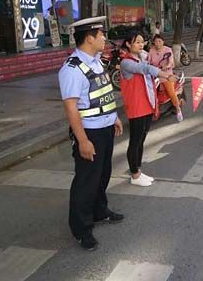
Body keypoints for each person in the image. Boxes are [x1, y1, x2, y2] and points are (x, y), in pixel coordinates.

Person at [58, 16, 124, 251]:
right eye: (101, 34)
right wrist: (83, 140)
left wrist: (114, 117)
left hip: (105, 127)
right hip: (90, 133)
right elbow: (71, 108)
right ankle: (82, 229)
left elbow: (103, 94)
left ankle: (99, 211)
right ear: (89, 38)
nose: (105, 38)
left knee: (103, 174)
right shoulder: (72, 69)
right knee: (86, 181)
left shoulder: (96, 62)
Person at [120, 29, 178, 187]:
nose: (141, 45)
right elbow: (146, 69)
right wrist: (166, 75)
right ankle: (134, 174)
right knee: (135, 141)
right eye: (137, 42)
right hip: (136, 107)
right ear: (128, 44)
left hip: (147, 105)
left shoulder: (142, 58)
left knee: (141, 140)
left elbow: (149, 66)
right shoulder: (126, 62)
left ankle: (138, 171)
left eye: (142, 42)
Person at [148, 34, 183, 122]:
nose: (158, 43)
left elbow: (171, 62)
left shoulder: (168, 50)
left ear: (163, 42)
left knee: (171, 92)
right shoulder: (151, 51)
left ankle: (178, 109)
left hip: (166, 75)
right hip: (155, 75)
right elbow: (148, 62)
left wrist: (167, 66)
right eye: (156, 41)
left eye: (160, 41)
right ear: (153, 42)